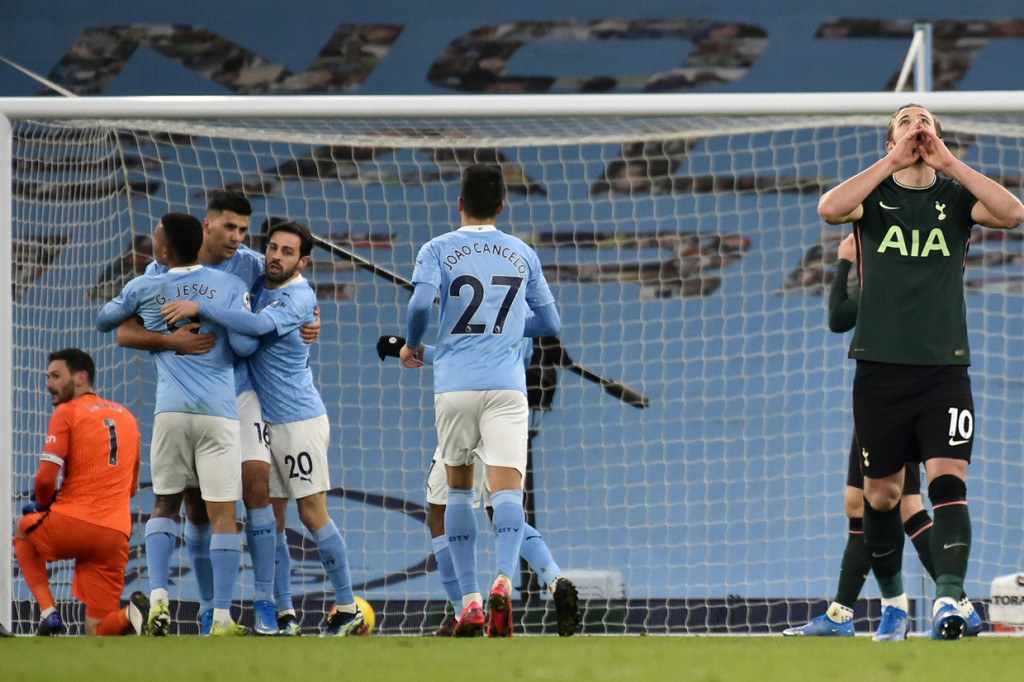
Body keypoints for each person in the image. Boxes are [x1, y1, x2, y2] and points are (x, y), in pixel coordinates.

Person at [817, 103, 1024, 640]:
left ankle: (950, 600)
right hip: (879, 370)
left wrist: (951, 163)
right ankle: (894, 607)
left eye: (926, 120)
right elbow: (828, 208)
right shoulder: (872, 199)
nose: (918, 125)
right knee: (880, 497)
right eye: (906, 121)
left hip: (943, 368)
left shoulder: (956, 197)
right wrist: (889, 164)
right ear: (891, 141)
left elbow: (1012, 212)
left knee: (948, 482)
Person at [115, 194, 319, 636]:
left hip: (241, 395)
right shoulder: (159, 273)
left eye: (244, 230)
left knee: (256, 487)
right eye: (230, 227)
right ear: (206, 225)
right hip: (188, 399)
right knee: (197, 507)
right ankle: (211, 610)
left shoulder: (249, 265)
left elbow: (290, 298)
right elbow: (125, 330)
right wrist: (172, 342)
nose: (238, 238)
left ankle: (265, 600)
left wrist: (311, 318)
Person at [161, 220, 365, 637]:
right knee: (271, 520)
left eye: (287, 252)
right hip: (264, 417)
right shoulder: (259, 274)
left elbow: (253, 328)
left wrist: (202, 308)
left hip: (298, 419)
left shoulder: (300, 294)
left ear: (303, 261)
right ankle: (285, 612)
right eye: (273, 247)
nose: (276, 256)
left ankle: (348, 606)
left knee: (312, 513)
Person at [784, 236, 981, 637]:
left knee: (899, 503)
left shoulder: (897, 280)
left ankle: (931, 605)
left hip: (910, 391)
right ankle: (874, 610)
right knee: (868, 500)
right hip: (880, 395)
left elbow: (839, 316)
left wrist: (843, 262)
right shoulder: (885, 276)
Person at [399, 164, 561, 637]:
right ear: (502, 207)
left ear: (459, 202)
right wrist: (509, 328)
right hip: (507, 388)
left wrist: (413, 343)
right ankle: (504, 584)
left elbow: (417, 307)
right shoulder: (521, 253)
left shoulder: (438, 248)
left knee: (459, 493)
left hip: (455, 387)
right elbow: (550, 323)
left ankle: (469, 601)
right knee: (509, 493)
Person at [96, 212, 260, 636]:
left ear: (165, 249)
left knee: (165, 505)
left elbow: (105, 321)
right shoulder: (231, 286)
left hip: (171, 412)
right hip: (218, 413)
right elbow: (244, 343)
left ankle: (159, 604)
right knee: (223, 513)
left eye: (155, 237)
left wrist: (154, 326)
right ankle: (222, 618)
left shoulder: (146, 285)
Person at [396, 337, 581, 637]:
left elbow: (455, 359)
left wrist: (407, 347)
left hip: (467, 408)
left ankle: (464, 609)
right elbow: (544, 329)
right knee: (503, 511)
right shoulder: (521, 312)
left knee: (442, 512)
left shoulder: (478, 311)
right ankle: (553, 577)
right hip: (506, 411)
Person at [13, 348, 148, 636]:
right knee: (98, 629)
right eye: (48, 376)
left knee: (22, 531)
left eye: (56, 376)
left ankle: (49, 613)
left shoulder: (67, 412)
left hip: (73, 523)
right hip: (115, 534)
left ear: (81, 378)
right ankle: (132, 613)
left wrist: (42, 505)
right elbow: (132, 488)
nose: (49, 383)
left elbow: (45, 479)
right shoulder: (128, 418)